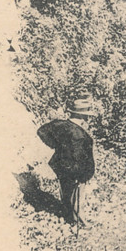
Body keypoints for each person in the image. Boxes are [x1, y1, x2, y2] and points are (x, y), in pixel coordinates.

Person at [37, 95, 97, 228]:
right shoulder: (80, 135)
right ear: (83, 116)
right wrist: (82, 175)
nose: (88, 118)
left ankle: (68, 215)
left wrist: (55, 146)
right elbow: (79, 157)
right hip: (75, 170)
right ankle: (79, 222)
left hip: (61, 165)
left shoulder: (60, 124)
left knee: (66, 191)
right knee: (77, 197)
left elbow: (41, 131)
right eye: (87, 115)